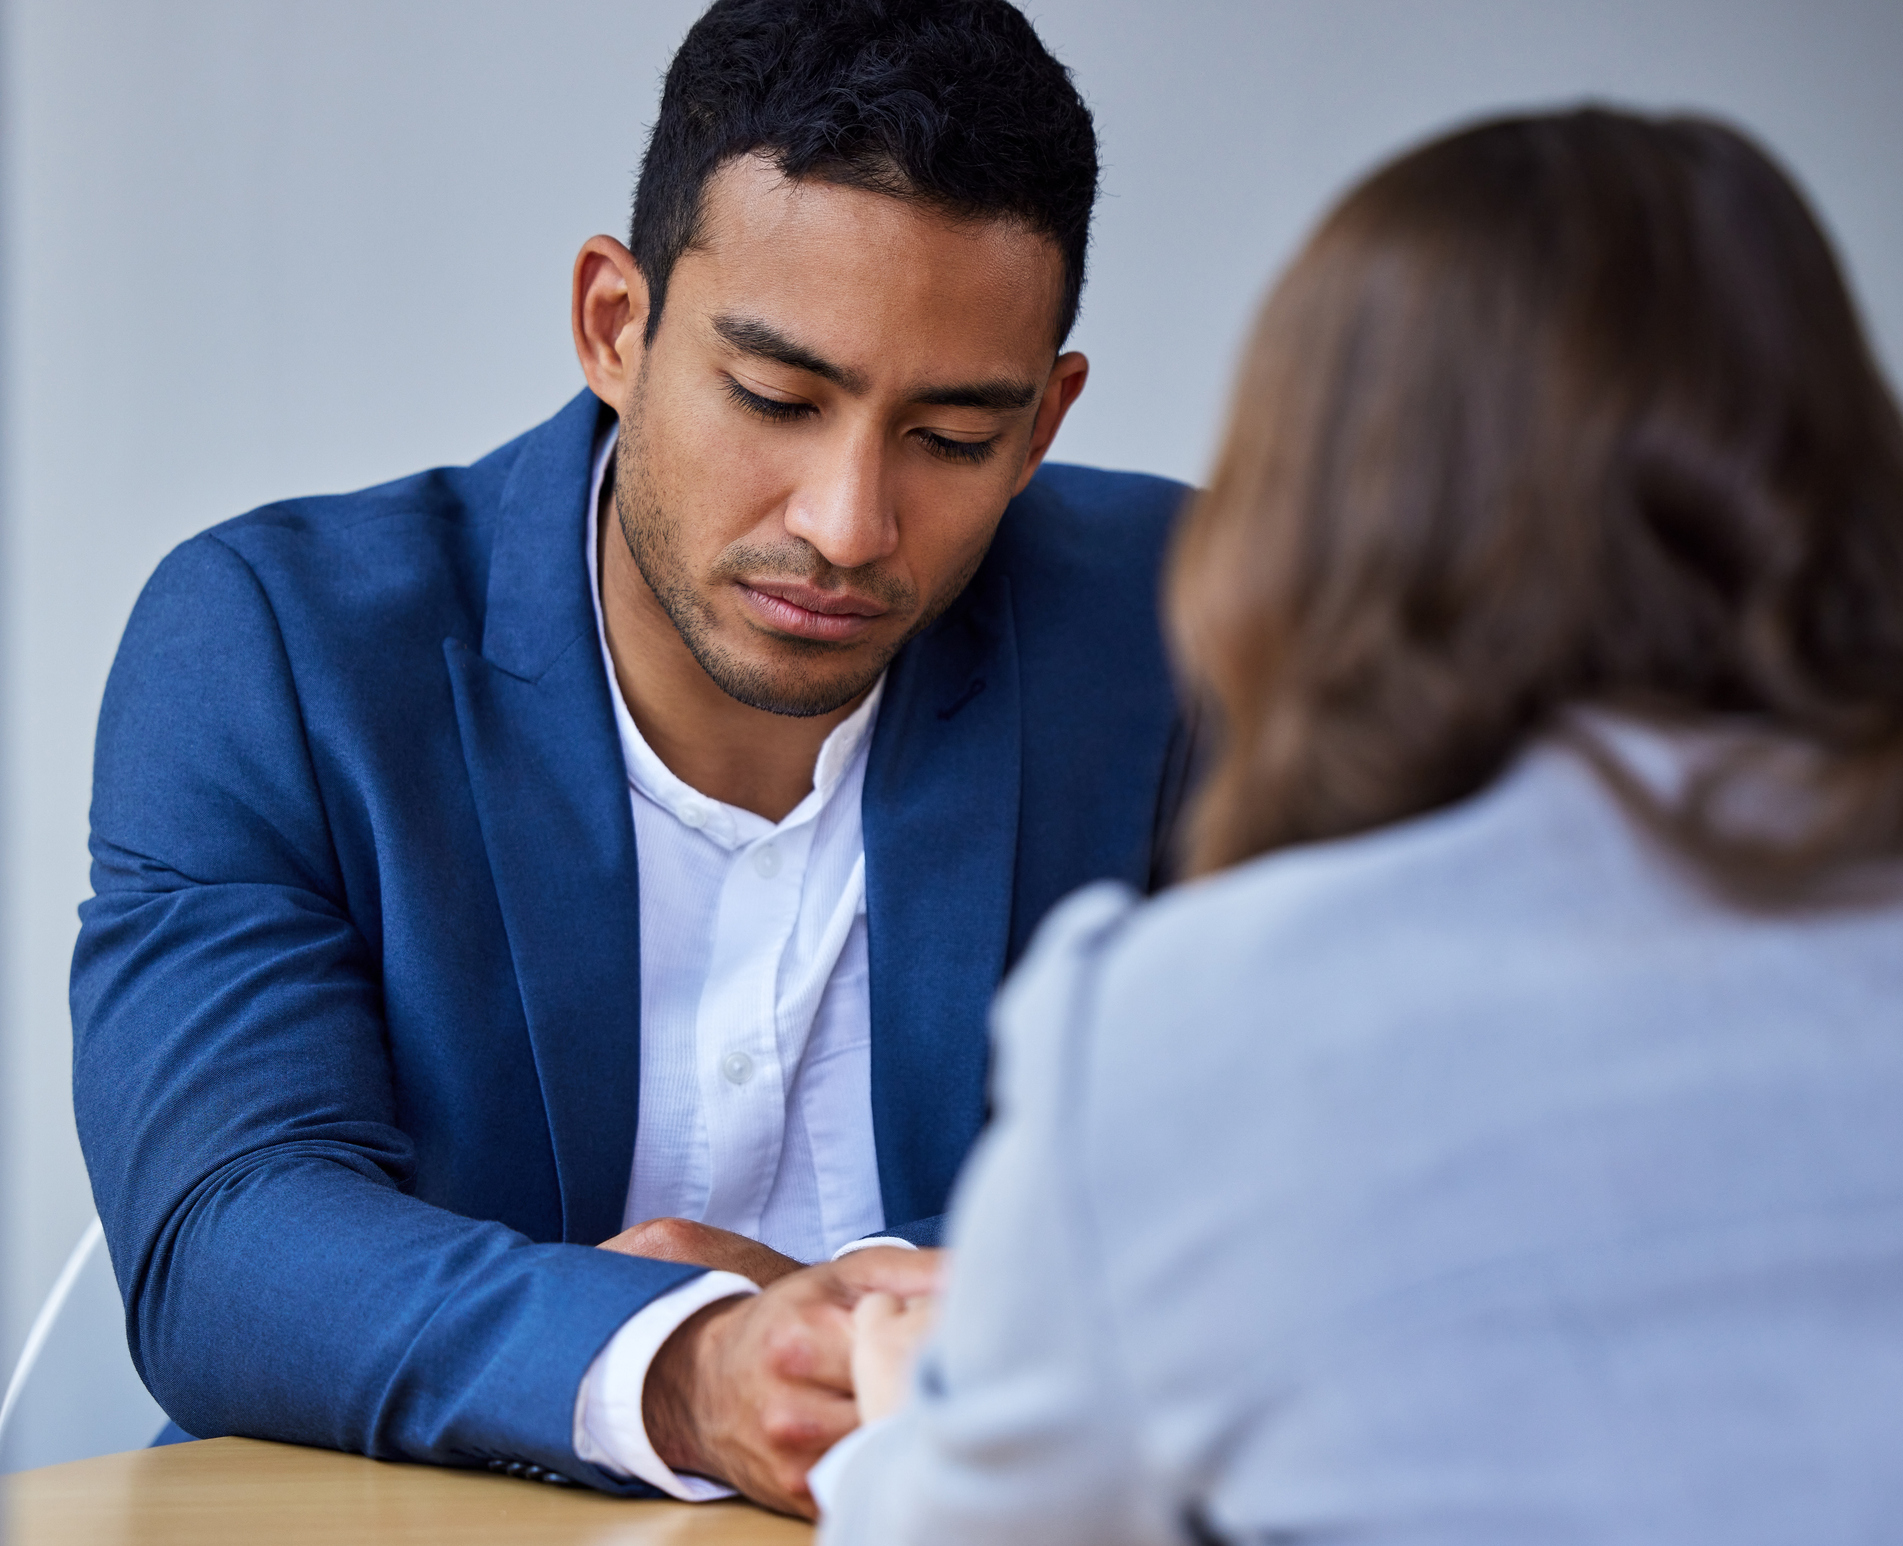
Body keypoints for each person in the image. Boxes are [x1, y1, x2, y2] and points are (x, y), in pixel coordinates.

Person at [69, 0, 1193, 1517]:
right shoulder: (278, 648)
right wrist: (688, 1365)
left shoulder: (1190, 627)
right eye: (778, 400)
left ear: (1045, 419)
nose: (847, 523)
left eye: (950, 436)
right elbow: (226, 1236)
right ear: (617, 324)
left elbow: (1344, 1178)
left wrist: (842, 1295)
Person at [819, 108, 1903, 1544]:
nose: (853, 524)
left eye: (958, 432)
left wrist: (913, 1414)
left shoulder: (1183, 1027)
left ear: (1321, 508)